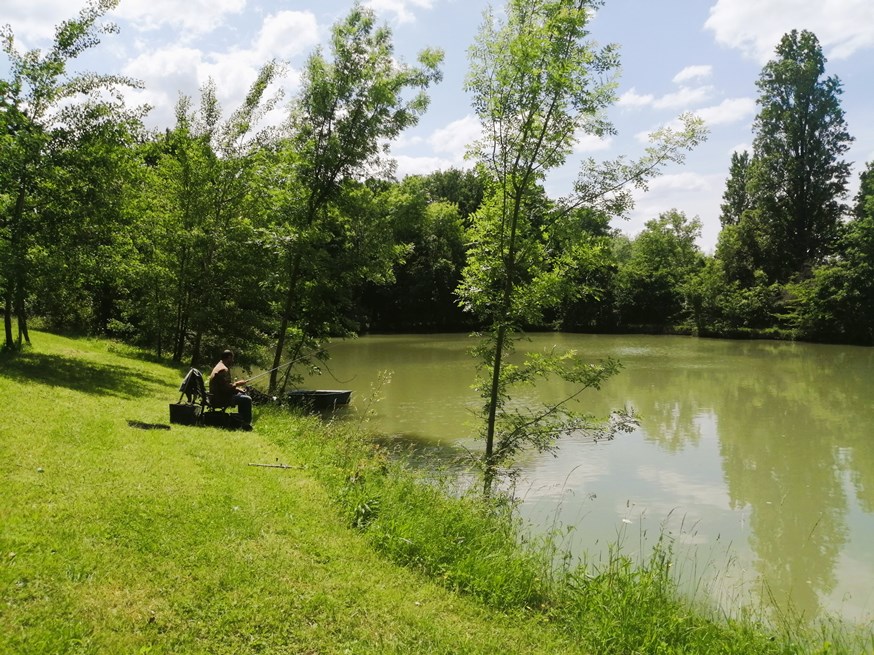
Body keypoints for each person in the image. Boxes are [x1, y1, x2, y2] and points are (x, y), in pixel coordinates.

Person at [209, 349, 253, 430]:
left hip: (216, 395)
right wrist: (237, 384)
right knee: (247, 399)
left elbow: (224, 386)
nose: (233, 360)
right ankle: (246, 424)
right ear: (229, 357)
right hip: (220, 398)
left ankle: (241, 422)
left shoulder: (219, 366)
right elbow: (226, 389)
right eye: (232, 358)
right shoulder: (223, 369)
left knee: (242, 395)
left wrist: (237, 389)